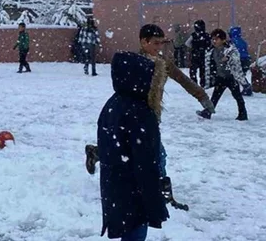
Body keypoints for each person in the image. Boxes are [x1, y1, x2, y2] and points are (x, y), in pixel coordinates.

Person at [85, 24, 212, 210]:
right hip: (133, 118)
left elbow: (183, 79)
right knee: (155, 155)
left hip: (150, 118)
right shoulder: (133, 62)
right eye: (155, 43)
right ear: (143, 41)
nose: (159, 47)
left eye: (161, 43)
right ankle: (162, 194)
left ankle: (96, 153)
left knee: (135, 152)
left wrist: (201, 96)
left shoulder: (164, 62)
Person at [96, 51, 169, 241]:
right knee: (135, 233)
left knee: (129, 231)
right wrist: (155, 200)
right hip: (135, 190)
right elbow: (146, 162)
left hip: (116, 187)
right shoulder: (140, 112)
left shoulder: (113, 104)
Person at [197, 29, 249, 121]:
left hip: (231, 77)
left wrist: (228, 58)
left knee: (237, 96)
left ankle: (243, 114)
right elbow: (210, 62)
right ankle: (208, 112)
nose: (214, 41)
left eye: (216, 39)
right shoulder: (212, 50)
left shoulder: (230, 49)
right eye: (213, 39)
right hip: (220, 77)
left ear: (223, 40)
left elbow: (236, 57)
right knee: (215, 96)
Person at [186, 19, 211, 88]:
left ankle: (194, 84)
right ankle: (203, 84)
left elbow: (187, 43)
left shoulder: (193, 35)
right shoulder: (207, 35)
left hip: (195, 55)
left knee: (193, 71)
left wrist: (194, 47)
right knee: (203, 71)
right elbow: (210, 45)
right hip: (204, 55)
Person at [229, 26, 254, 96]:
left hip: (240, 60)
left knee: (238, 74)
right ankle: (245, 87)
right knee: (240, 74)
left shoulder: (233, 41)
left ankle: (247, 87)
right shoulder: (242, 40)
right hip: (246, 59)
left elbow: (232, 51)